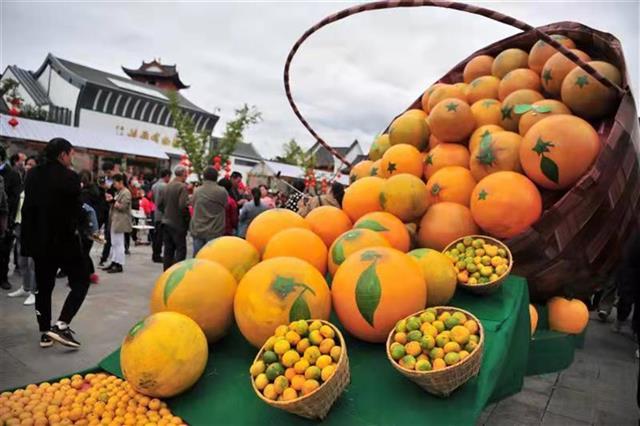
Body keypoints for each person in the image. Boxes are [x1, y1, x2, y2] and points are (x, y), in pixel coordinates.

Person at [21, 138, 89, 348]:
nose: (72, 158)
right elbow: (77, 211)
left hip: (39, 241)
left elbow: (29, 208)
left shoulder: (32, 174)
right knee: (81, 280)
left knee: (44, 288)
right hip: (64, 241)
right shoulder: (70, 177)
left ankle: (44, 333)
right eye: (71, 154)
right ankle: (61, 324)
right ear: (62, 155)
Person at [8, 156, 37, 304]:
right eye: (26, 164)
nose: (27, 167)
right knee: (22, 260)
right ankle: (25, 288)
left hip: (32, 228)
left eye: (31, 164)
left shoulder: (39, 185)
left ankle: (34, 291)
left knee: (33, 262)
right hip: (20, 225)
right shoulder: (23, 182)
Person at [190, 167, 227, 256]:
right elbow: (225, 205)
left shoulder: (197, 191)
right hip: (215, 229)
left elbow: (192, 204)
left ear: (204, 177)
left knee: (198, 256)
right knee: (211, 257)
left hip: (198, 228)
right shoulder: (222, 191)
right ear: (216, 177)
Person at [0, 146, 23, 290]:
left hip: (4, 218)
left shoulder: (12, 174)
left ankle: (3, 278)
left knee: (3, 251)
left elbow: (15, 199)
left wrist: (11, 221)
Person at [158, 166, 189, 270]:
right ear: (183, 174)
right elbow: (183, 206)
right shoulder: (182, 187)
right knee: (180, 250)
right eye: (186, 174)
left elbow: (159, 204)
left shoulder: (167, 186)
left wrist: (166, 212)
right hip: (177, 223)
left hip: (166, 222)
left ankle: (166, 273)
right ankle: (177, 272)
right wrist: (186, 219)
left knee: (168, 250)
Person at [103, 174, 131, 274]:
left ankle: (119, 264)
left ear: (120, 182)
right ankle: (114, 262)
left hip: (120, 221)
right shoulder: (120, 192)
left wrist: (113, 200)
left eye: (115, 183)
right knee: (114, 243)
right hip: (115, 220)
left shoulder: (126, 192)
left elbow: (123, 207)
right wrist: (112, 200)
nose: (114, 185)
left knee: (119, 244)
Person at [98, 162, 117, 267]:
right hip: (102, 208)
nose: (107, 174)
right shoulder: (102, 178)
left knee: (108, 234)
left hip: (110, 210)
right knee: (96, 230)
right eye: (106, 172)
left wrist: (109, 188)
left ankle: (104, 257)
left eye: (109, 172)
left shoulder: (116, 180)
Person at [151, 169, 171, 263]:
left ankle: (155, 254)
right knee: (160, 236)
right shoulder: (165, 186)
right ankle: (157, 255)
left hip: (156, 213)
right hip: (163, 214)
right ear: (166, 176)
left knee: (156, 235)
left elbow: (153, 198)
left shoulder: (154, 185)